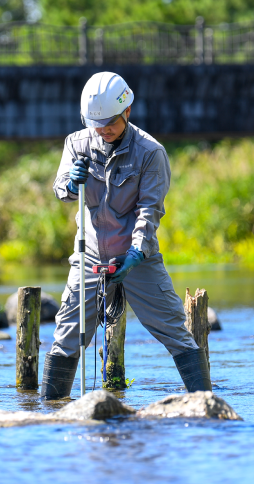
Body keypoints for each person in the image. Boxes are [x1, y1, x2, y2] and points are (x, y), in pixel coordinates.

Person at [41, 71, 211, 399]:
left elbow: (149, 212)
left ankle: (206, 405)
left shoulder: (151, 153)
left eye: (111, 124)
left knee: (176, 331)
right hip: (88, 258)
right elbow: (61, 189)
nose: (104, 131)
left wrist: (134, 255)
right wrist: (69, 183)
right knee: (65, 338)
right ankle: (51, 412)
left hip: (137, 257)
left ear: (127, 112)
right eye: (97, 125)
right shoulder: (76, 144)